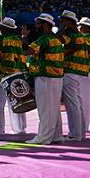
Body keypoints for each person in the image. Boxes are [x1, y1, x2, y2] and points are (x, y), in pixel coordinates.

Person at [25, 13, 64, 144]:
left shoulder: (44, 39)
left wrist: (23, 37)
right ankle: (56, 135)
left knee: (45, 108)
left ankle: (44, 137)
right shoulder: (56, 38)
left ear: (46, 25)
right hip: (55, 77)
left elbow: (29, 51)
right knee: (54, 109)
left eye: (39, 24)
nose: (36, 26)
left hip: (45, 77)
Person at [0, 17, 27, 136]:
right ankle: (20, 128)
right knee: (18, 101)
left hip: (1, 75)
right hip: (17, 74)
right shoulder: (19, 41)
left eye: (0, 26)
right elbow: (23, 58)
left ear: (4, 28)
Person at [59, 10, 87, 141]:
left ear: (69, 22)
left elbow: (71, 46)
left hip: (71, 70)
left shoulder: (70, 33)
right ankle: (80, 133)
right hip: (79, 71)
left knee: (72, 103)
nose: (61, 23)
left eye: (63, 20)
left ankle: (75, 134)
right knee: (77, 102)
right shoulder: (77, 33)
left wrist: (61, 55)